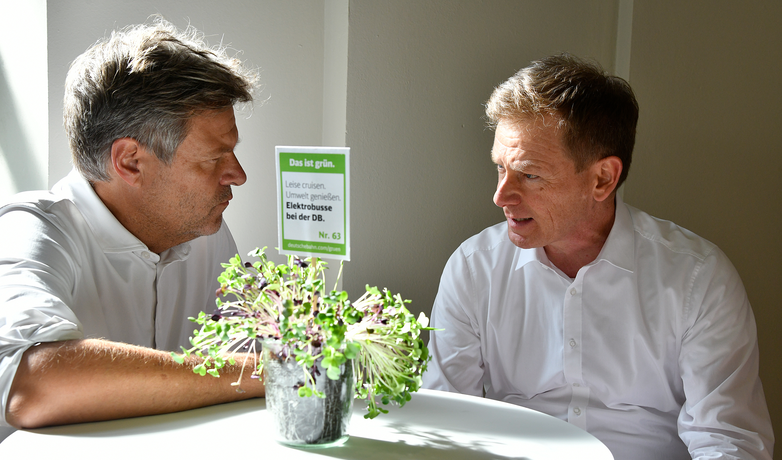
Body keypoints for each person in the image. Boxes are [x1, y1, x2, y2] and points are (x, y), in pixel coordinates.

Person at [423, 54, 774, 459]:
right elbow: (441, 422)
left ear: (602, 178)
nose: (501, 196)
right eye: (500, 168)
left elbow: (728, 441)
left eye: (530, 174)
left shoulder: (697, 277)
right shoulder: (473, 269)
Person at [0, 17, 265, 438]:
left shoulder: (202, 231)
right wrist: (260, 373)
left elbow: (251, 348)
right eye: (214, 158)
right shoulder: (31, 230)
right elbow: (33, 386)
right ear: (129, 162)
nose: (237, 175)